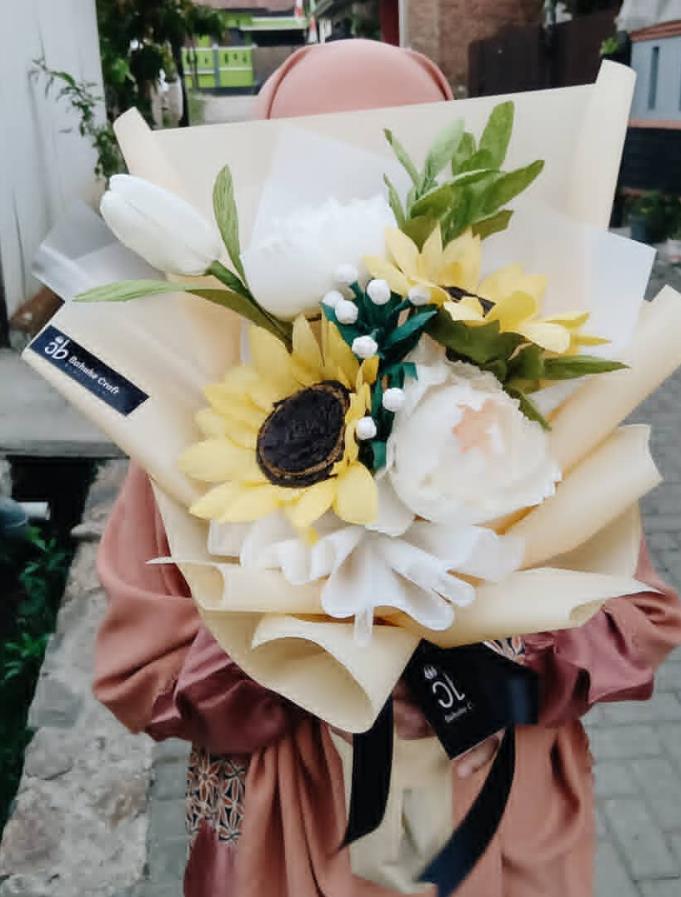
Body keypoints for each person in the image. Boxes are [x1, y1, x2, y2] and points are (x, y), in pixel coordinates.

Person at [94, 39, 681, 897]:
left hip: (503, 819)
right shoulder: (200, 412)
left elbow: (637, 619)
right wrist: (305, 660)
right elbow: (141, 671)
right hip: (287, 826)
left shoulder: (524, 397)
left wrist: (490, 659)